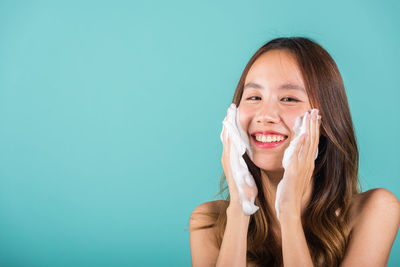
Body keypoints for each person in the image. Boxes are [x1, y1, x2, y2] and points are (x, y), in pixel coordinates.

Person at [189, 37, 400, 267]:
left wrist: (289, 212)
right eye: (254, 97)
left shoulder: (375, 210)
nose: (265, 115)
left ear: (325, 120)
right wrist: (240, 209)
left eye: (289, 98)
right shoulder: (207, 222)